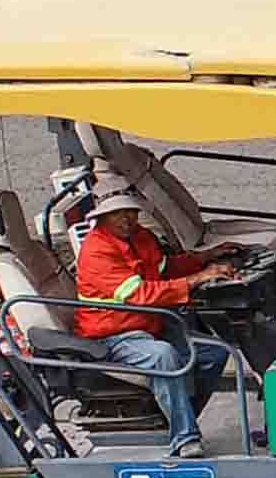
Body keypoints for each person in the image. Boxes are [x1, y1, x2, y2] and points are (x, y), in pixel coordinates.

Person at [63, 171, 218, 457]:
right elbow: (141, 295)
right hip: (113, 336)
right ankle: (184, 437)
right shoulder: (97, 252)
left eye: (130, 211)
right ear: (102, 217)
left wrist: (205, 259)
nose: (126, 219)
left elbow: (163, 269)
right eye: (117, 213)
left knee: (214, 353)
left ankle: (176, 415)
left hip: (151, 324)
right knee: (163, 356)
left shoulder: (141, 236)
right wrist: (198, 279)